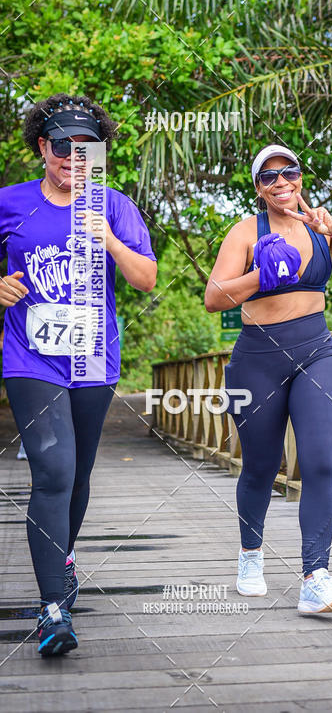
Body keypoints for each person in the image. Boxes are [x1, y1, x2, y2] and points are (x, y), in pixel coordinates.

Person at [204, 143, 332, 614]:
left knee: (319, 463)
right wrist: (257, 276)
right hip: (258, 359)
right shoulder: (247, 231)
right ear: (258, 188)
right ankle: (250, 555)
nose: (282, 182)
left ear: (300, 176)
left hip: (316, 353)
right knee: (262, 467)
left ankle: (316, 577)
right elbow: (213, 297)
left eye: (289, 172)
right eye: (269, 177)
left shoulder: (320, 227)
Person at [0, 94, 157, 656]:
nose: (74, 157)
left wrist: (108, 239)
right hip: (30, 357)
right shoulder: (11, 203)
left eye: (86, 148)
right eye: (62, 146)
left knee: (80, 473)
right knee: (53, 469)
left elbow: (145, 279)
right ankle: (52, 609)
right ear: (43, 147)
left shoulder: (115, 205)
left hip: (94, 357)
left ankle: (62, 554)